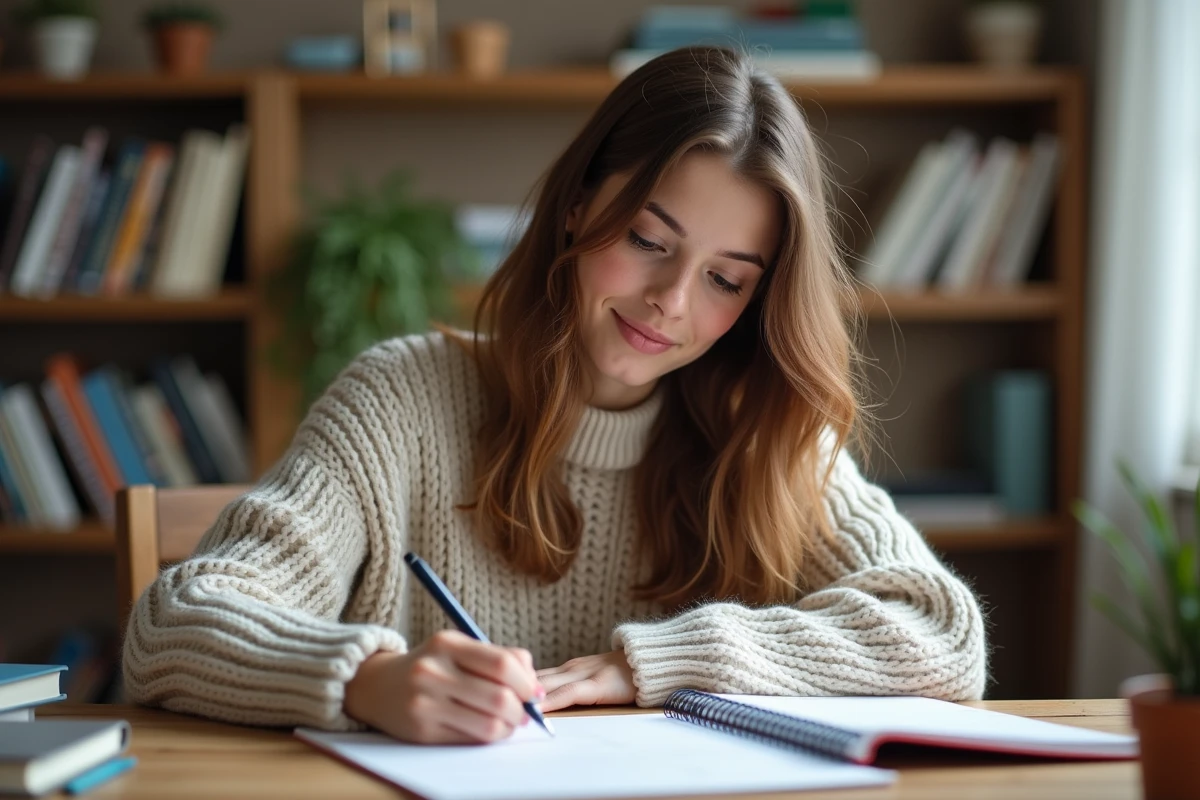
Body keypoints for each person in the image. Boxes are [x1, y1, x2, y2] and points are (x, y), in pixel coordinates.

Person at [123, 46, 986, 744]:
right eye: (649, 240)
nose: (672, 303)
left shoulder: (766, 431)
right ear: (577, 206)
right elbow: (172, 627)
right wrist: (365, 679)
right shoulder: (400, 401)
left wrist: (653, 663)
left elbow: (941, 637)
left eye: (726, 279)